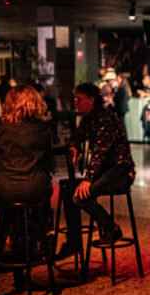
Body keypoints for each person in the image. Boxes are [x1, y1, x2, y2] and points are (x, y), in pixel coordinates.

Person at [54, 83, 136, 260]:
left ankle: (111, 228)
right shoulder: (89, 118)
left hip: (120, 172)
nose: (75, 102)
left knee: (79, 196)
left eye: (79, 99)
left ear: (91, 100)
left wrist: (88, 179)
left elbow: (100, 152)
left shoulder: (104, 119)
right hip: (106, 173)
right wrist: (75, 145)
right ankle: (73, 242)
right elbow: (78, 134)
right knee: (69, 190)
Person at [0, 85, 54, 287]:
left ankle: (10, 236)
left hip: (4, 188)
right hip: (33, 188)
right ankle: (37, 237)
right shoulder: (42, 130)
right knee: (40, 194)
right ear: (34, 103)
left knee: (10, 200)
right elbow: (48, 164)